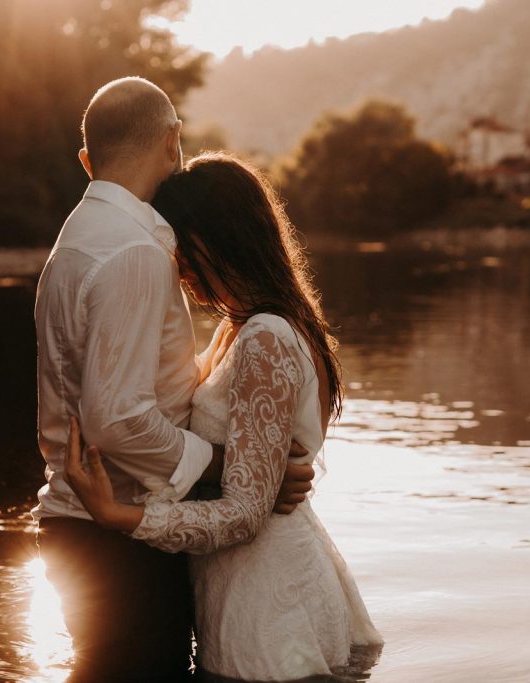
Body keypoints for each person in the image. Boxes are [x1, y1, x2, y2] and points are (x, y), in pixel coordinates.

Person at [30, 78, 314, 682]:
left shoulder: (74, 241)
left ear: (88, 160)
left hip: (82, 520)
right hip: (117, 533)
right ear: (173, 141)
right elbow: (118, 418)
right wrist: (228, 466)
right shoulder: (134, 251)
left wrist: (250, 471)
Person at [63, 152, 385, 681]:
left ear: (220, 237)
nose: (176, 262)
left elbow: (244, 514)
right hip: (248, 584)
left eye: (183, 245)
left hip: (266, 602)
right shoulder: (241, 330)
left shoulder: (265, 337)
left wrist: (118, 515)